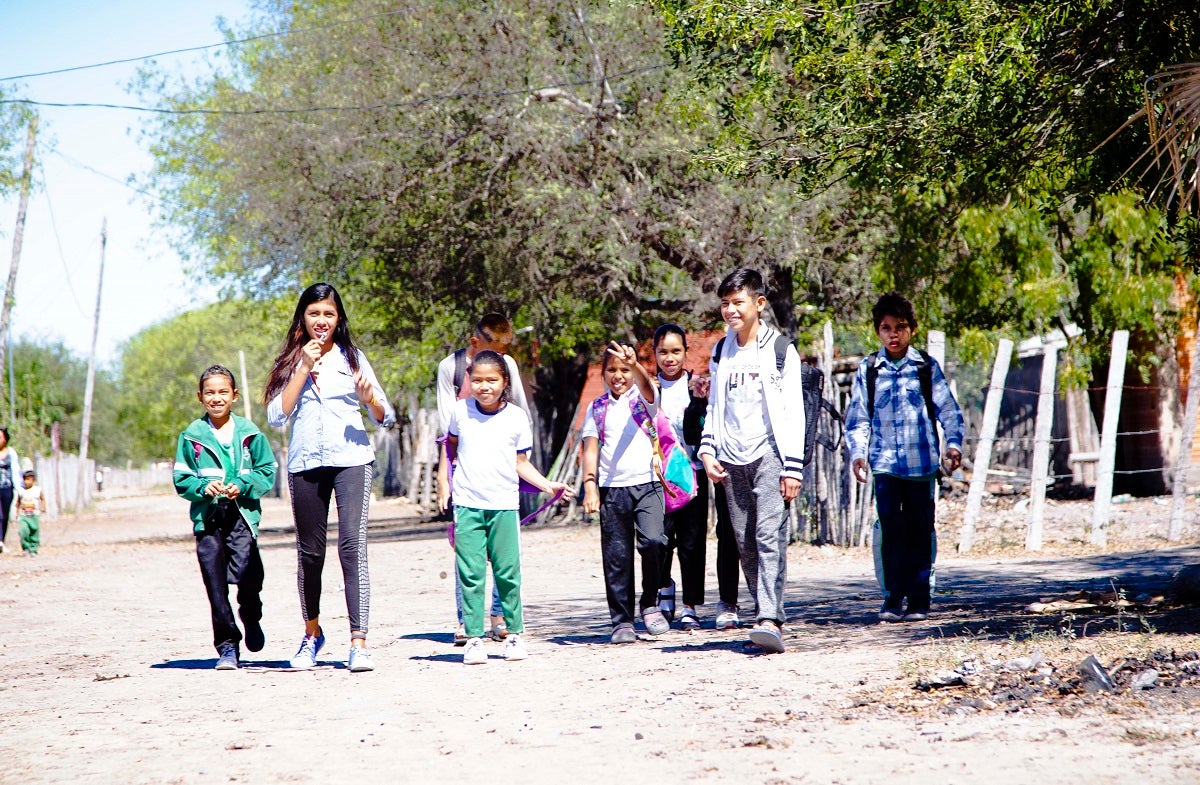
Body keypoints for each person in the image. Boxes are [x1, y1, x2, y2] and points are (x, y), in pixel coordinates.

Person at [265, 283, 395, 673]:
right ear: (302, 317)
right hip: (305, 461)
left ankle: (359, 642)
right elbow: (276, 416)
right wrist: (304, 366)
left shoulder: (353, 357)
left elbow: (385, 415)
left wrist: (370, 397)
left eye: (329, 314)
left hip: (352, 459)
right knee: (310, 554)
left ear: (339, 320)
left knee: (353, 547)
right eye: (314, 313)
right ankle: (311, 635)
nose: (321, 321)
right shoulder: (290, 361)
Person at [436, 350, 572, 665]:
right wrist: (449, 482)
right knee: (470, 573)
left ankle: (513, 636)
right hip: (468, 505)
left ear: (504, 382)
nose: (484, 386)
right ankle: (473, 639)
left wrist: (548, 485)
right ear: (468, 380)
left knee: (508, 573)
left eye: (492, 380)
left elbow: (520, 463)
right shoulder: (460, 412)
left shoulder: (516, 417)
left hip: (504, 506)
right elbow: (451, 449)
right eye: (478, 380)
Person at [697, 268, 806, 654]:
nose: (730, 310)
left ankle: (769, 618)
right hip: (731, 458)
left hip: (770, 455)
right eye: (725, 303)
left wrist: (793, 466)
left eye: (738, 302)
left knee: (768, 535)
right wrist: (708, 450)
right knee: (744, 541)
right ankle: (767, 609)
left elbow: (794, 410)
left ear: (759, 304)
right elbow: (715, 406)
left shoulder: (780, 350)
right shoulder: (720, 350)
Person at [845, 292, 964, 623]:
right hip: (884, 467)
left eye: (900, 327)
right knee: (890, 531)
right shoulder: (869, 370)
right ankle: (893, 598)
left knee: (920, 531)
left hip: (921, 467)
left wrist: (953, 445)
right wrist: (858, 453)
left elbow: (949, 411)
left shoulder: (925, 368)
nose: (893, 334)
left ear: (912, 329)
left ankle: (920, 598)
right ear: (877, 331)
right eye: (885, 328)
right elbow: (857, 419)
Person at [436, 313, 532, 645]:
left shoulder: (507, 367)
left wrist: (522, 466)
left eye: (506, 354)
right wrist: (444, 479)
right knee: (469, 554)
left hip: (502, 469)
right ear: (476, 345)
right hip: (466, 473)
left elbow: (519, 409)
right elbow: (448, 431)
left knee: (504, 558)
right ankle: (466, 620)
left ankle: (500, 616)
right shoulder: (449, 369)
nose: (502, 359)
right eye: (496, 350)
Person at [173, 365, 277, 670]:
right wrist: (204, 487)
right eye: (209, 392)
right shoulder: (192, 436)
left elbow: (266, 471)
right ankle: (228, 646)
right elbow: (181, 478)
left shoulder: (250, 433)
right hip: (207, 518)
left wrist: (244, 485)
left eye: (222, 392)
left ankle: (251, 615)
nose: (216, 398)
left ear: (234, 395)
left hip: (241, 515)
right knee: (215, 584)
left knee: (248, 575)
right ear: (200, 396)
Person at [581, 341, 670, 644]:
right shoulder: (598, 408)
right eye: (612, 370)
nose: (619, 376)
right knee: (616, 556)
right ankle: (622, 621)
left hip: (648, 484)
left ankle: (650, 603)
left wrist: (636, 366)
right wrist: (590, 485)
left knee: (654, 541)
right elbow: (590, 448)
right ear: (603, 373)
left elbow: (647, 387)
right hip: (612, 489)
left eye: (624, 370)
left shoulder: (642, 399)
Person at [651, 324, 709, 630]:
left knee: (692, 542)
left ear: (686, 352)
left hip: (694, 476)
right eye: (663, 352)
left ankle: (690, 606)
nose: (669, 358)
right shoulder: (647, 389)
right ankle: (664, 588)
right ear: (655, 354)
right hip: (658, 480)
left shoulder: (698, 387)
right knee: (658, 540)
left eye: (675, 351)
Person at [0, 428, 22, 554]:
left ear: (6, 439)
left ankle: (2, 541)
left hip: (7, 488)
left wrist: (20, 489)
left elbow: (15, 471)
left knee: (5, 516)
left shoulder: (11, 453)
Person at [16, 469, 45, 557]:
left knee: (34, 531)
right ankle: (25, 547)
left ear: (33, 480)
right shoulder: (21, 490)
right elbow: (18, 502)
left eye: (28, 479)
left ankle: (33, 549)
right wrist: (17, 513)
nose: (26, 482)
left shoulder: (37, 490)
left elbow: (42, 499)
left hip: (34, 515)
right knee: (23, 531)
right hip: (24, 515)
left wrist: (43, 508)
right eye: (25, 479)